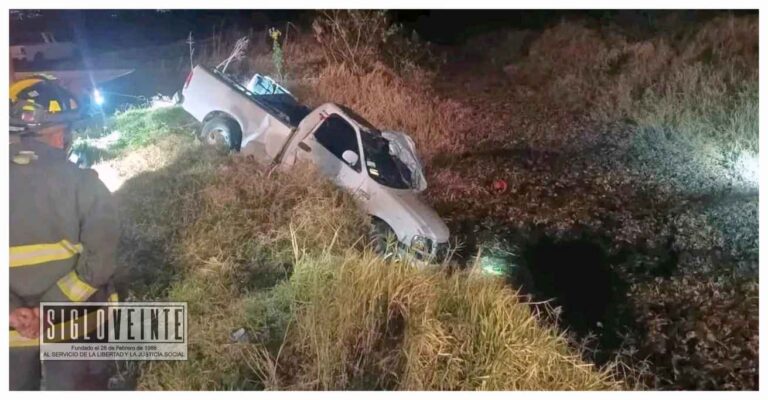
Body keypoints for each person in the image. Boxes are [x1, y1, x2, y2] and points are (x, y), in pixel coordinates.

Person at [9, 103, 120, 390]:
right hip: (76, 326)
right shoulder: (85, 183)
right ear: (58, 136)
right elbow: (101, 262)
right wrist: (48, 309)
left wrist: (13, 311)